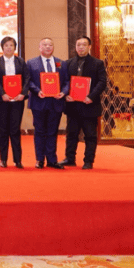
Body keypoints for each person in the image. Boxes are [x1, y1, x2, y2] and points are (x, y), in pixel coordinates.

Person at [61, 36, 108, 169]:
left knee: (90, 135)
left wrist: (91, 96)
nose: (81, 47)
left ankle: (88, 161)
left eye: (84, 45)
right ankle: (69, 158)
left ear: (89, 47)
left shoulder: (98, 63)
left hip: (90, 105)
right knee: (71, 134)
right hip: (73, 105)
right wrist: (66, 95)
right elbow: (64, 82)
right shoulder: (68, 63)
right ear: (75, 47)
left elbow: (102, 82)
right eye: (78, 45)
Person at [26, 37, 68, 169]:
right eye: (44, 45)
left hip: (56, 102)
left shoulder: (61, 63)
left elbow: (67, 82)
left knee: (52, 131)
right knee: (39, 131)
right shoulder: (31, 63)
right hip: (39, 102)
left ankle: (52, 160)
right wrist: (37, 91)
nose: (48, 47)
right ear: (40, 47)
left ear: (53, 47)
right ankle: (39, 159)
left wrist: (63, 92)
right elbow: (28, 81)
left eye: (50, 45)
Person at [0, 36, 30, 169]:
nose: (9, 48)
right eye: (6, 45)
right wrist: (2, 94)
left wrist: (23, 93)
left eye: (11, 45)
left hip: (17, 101)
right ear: (2, 47)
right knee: (3, 130)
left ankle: (17, 160)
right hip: (2, 101)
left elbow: (27, 78)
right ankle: (3, 159)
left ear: (15, 47)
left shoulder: (21, 61)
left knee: (15, 130)